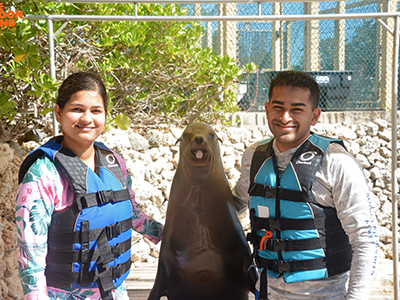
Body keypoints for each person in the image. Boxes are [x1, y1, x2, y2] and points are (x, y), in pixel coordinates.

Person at [16, 72, 163, 300]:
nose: (87, 119)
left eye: (96, 111)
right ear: (58, 113)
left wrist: (169, 234)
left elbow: (132, 214)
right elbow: (30, 258)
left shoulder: (115, 163)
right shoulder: (43, 173)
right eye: (77, 109)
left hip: (114, 293)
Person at [233, 70, 379, 300]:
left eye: (297, 109)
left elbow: (365, 238)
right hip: (266, 292)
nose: (285, 117)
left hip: (326, 294)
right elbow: (233, 206)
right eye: (278, 107)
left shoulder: (337, 162)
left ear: (314, 116)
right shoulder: (253, 157)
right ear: (266, 108)